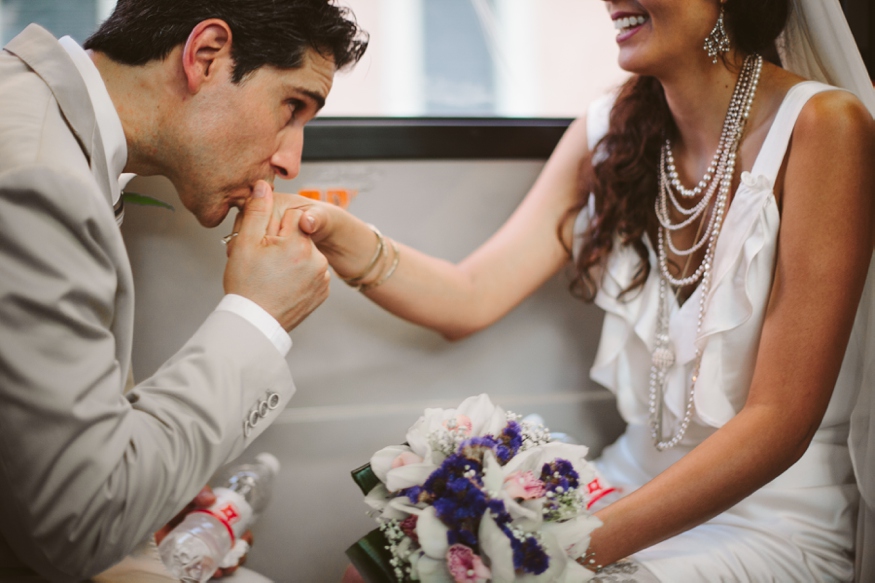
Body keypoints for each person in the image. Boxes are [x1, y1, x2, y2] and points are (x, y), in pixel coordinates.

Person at [265, 0, 875, 580]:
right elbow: (470, 295)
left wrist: (554, 550)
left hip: (770, 521)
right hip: (626, 483)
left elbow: (779, 422)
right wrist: (335, 232)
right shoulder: (612, 125)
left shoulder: (824, 126)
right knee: (368, 572)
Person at [0, 0, 366, 580]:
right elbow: (82, 522)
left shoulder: (38, 116)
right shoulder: (41, 181)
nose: (290, 161)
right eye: (291, 107)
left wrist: (158, 478)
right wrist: (258, 315)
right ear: (206, 55)